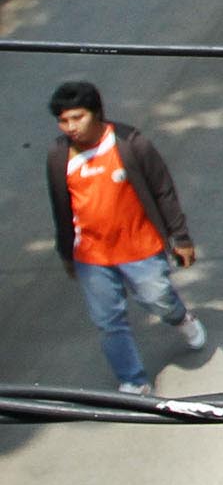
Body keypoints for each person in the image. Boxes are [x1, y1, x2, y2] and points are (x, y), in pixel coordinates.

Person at [45, 78, 205, 393]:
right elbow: (60, 207)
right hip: (92, 256)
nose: (70, 127)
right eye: (64, 121)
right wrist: (66, 252)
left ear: (96, 113)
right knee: (109, 322)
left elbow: (163, 191)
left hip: (140, 248)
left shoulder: (131, 143)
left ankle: (181, 317)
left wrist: (181, 238)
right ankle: (133, 381)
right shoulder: (58, 156)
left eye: (78, 118)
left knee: (157, 299)